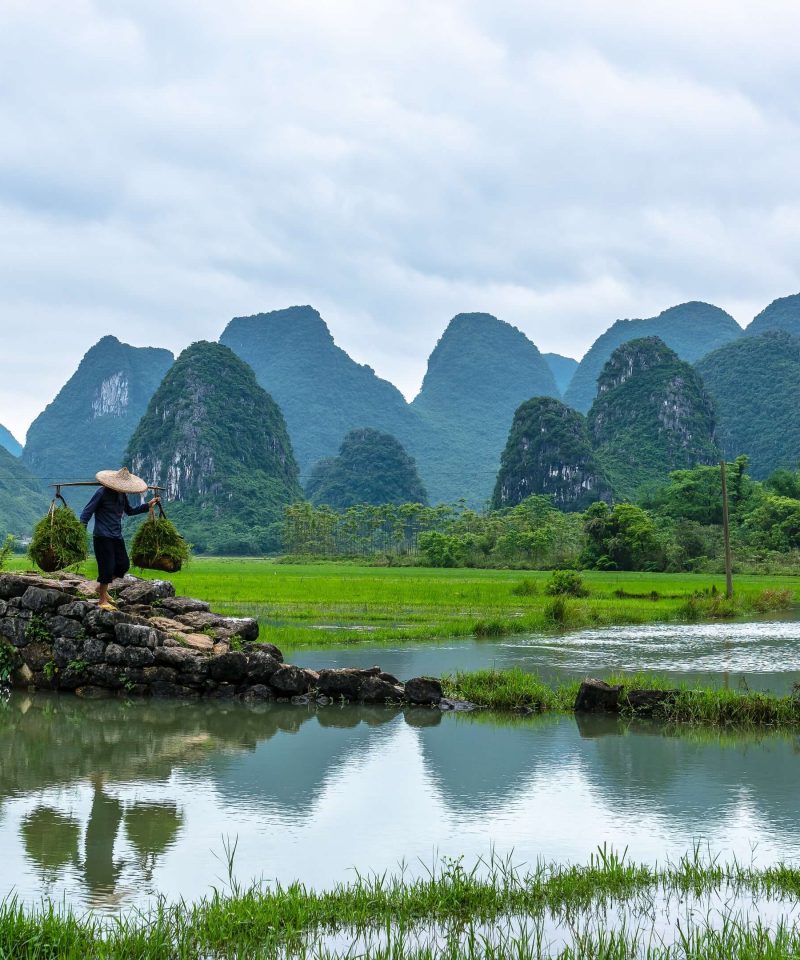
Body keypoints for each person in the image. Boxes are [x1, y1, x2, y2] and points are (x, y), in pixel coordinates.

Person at [80, 467, 160, 610]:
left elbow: (129, 511)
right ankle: (102, 600)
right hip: (102, 536)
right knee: (107, 567)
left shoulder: (122, 495)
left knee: (123, 565)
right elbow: (87, 512)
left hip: (116, 535)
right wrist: (81, 531)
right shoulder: (101, 493)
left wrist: (148, 505)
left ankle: (100, 588)